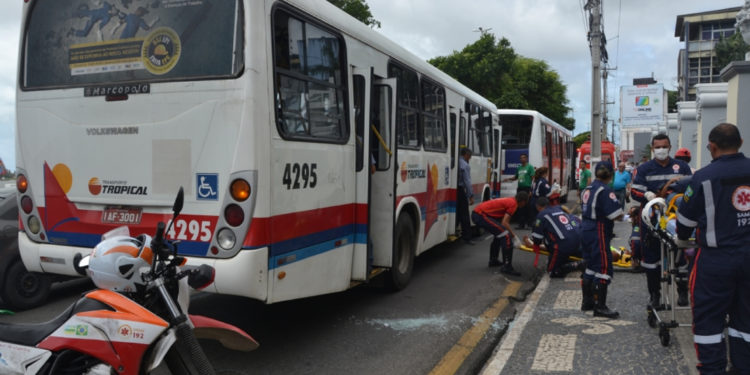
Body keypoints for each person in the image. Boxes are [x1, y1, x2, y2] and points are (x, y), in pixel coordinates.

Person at [675, 123, 750, 375]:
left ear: (712, 147)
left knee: (708, 320)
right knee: (746, 319)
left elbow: (684, 224)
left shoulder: (702, 177)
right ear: (740, 142)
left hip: (716, 262)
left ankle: (712, 369)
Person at [630, 133, 692, 309]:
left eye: (664, 146)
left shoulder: (681, 167)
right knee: (651, 258)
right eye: (657, 147)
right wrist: (647, 195)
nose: (661, 150)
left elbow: (691, 190)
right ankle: (654, 295)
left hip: (675, 219)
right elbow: (634, 192)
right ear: (652, 149)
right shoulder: (644, 169)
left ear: (670, 147)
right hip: (651, 219)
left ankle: (682, 291)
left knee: (680, 256)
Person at [580, 161, 623, 318]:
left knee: (590, 265)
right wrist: (627, 215)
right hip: (598, 229)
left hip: (585, 228)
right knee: (604, 266)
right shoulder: (605, 190)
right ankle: (600, 306)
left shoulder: (588, 188)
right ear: (611, 174)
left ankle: (587, 301)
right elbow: (615, 214)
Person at [471, 191, 528, 274]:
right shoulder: (514, 204)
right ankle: (507, 267)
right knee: (506, 236)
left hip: (478, 213)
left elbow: (502, 222)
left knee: (499, 234)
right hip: (480, 215)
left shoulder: (511, 200)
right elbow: (505, 222)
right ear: (523, 201)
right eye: (525, 203)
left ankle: (493, 260)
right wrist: (514, 237)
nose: (525, 205)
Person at [531, 197, 584, 278]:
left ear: (538, 206)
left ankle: (577, 265)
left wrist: (535, 244)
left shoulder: (541, 215)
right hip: (577, 241)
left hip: (562, 246)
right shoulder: (558, 209)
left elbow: (537, 237)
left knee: (552, 272)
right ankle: (569, 260)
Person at [504, 154, 534, 229]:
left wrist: (531, 190)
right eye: (521, 158)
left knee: (528, 206)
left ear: (526, 159)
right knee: (520, 206)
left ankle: (529, 224)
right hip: (520, 189)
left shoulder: (530, 167)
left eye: (523, 158)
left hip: (527, 188)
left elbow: (533, 179)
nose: (522, 159)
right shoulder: (519, 168)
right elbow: (516, 177)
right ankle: (521, 224)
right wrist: (509, 179)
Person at [457, 147, 475, 244]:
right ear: (466, 155)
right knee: (464, 214)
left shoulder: (455, 161)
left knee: (457, 212)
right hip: (460, 190)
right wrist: (470, 195)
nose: (470, 159)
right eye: (470, 157)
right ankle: (467, 237)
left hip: (453, 190)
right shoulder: (465, 165)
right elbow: (467, 181)